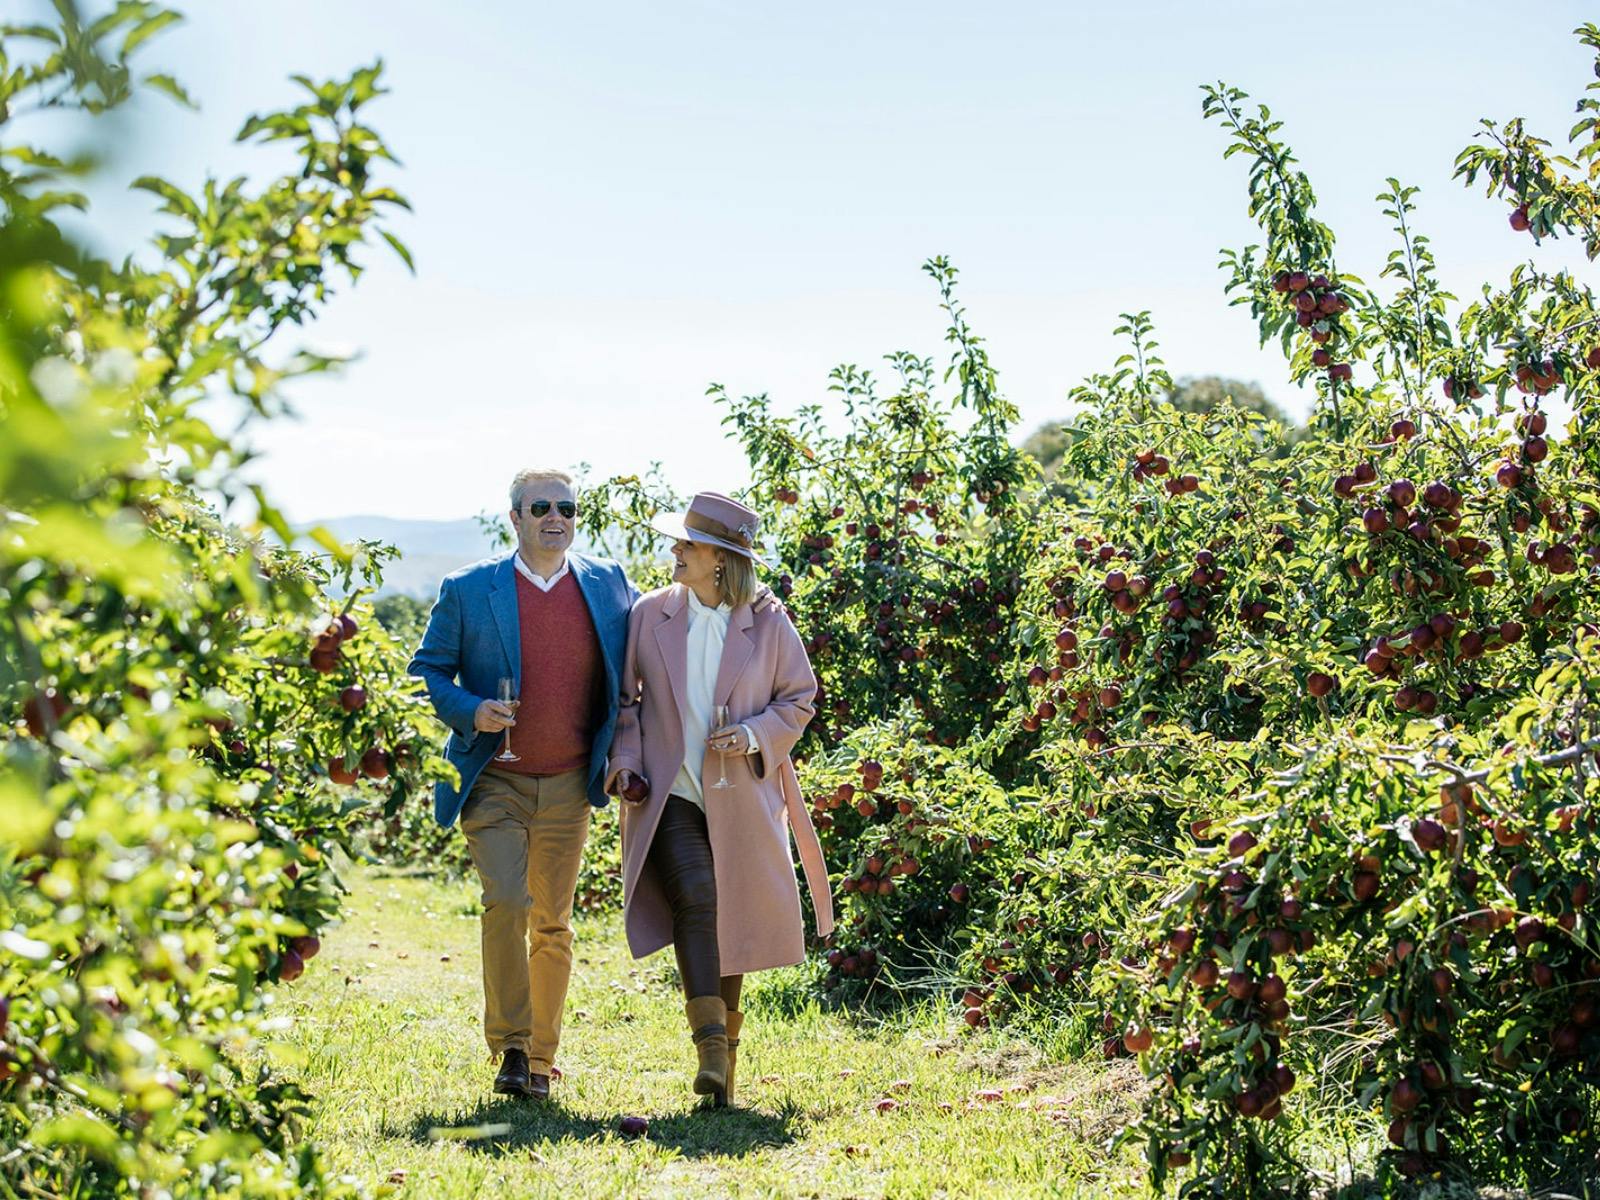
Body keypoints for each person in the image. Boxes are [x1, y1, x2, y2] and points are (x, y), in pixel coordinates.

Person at [409, 468, 635, 1100]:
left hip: (569, 782)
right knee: (508, 901)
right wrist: (470, 709)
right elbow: (427, 671)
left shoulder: (610, 584)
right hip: (494, 779)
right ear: (515, 518)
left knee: (553, 923)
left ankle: (540, 1058)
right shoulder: (468, 588)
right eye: (540, 508)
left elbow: (649, 651)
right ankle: (510, 1045)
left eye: (566, 507)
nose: (555, 517)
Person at [606, 491, 833, 1107]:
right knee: (699, 895)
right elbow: (626, 704)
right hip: (670, 788)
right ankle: (710, 1048)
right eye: (680, 542)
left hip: (741, 792)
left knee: (727, 911)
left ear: (722, 560)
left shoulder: (770, 621)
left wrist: (755, 733)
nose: (676, 551)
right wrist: (625, 764)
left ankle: (722, 1067)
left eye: (689, 544)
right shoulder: (649, 613)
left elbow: (799, 699)